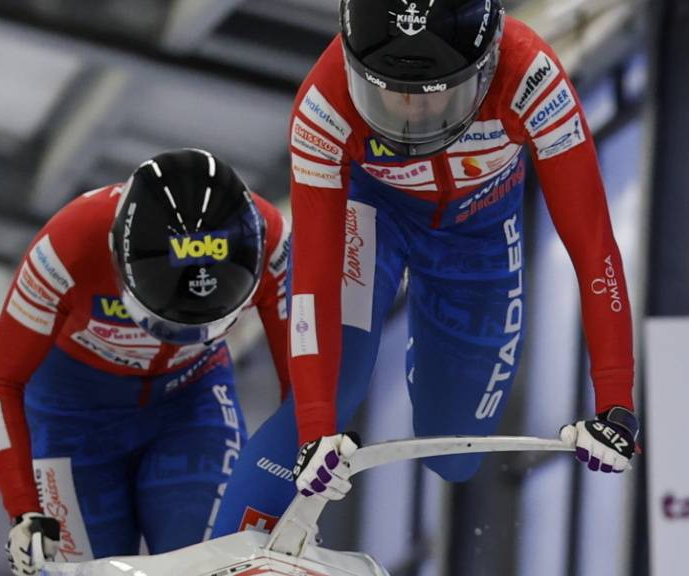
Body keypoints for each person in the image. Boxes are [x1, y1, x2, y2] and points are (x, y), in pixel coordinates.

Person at [212, 0, 638, 536]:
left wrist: (616, 403)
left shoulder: (533, 77)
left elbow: (592, 245)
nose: (411, 112)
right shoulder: (322, 105)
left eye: (437, 94)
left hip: (477, 234)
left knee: (453, 451)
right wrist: (316, 429)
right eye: (387, 91)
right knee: (331, 391)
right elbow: (314, 286)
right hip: (370, 214)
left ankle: (431, 346)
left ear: (487, 69)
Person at [0, 149, 291, 575]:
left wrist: (298, 476)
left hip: (191, 409)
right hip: (71, 423)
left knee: (213, 566)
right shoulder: (66, 245)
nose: (177, 333)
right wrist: (23, 509)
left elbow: (305, 376)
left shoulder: (269, 240)